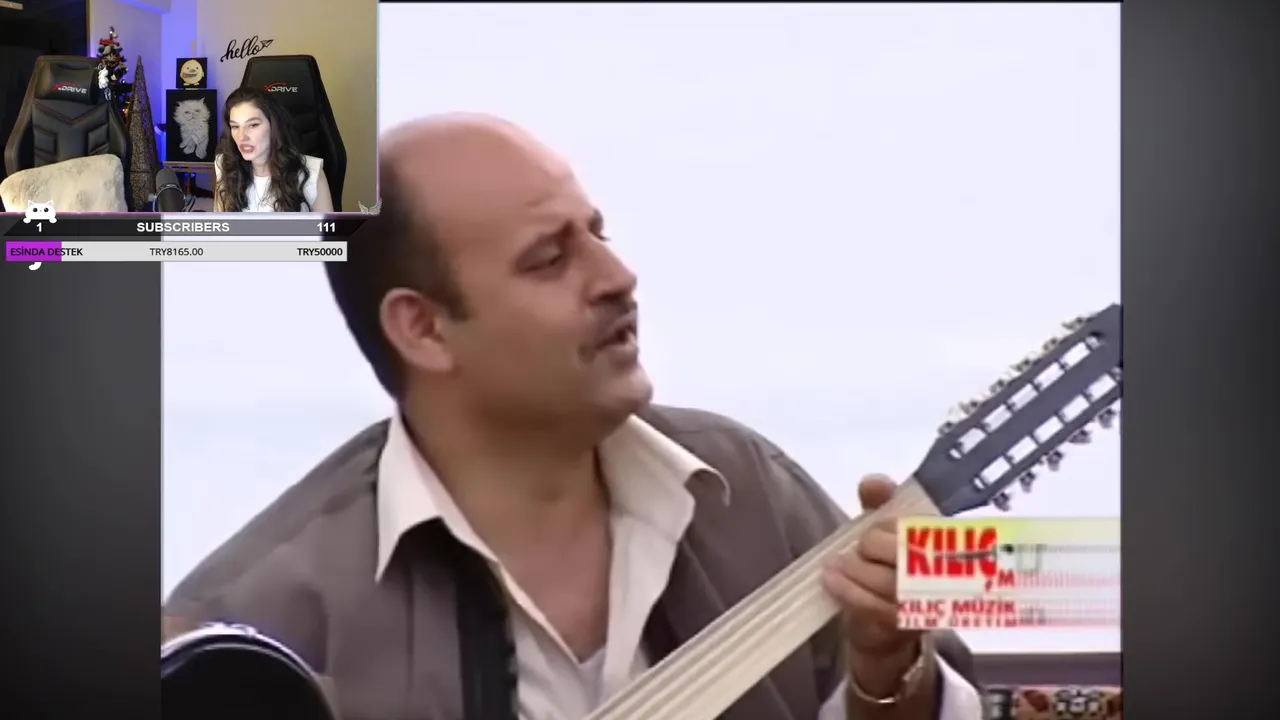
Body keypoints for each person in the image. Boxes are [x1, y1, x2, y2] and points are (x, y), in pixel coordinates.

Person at [165, 115, 983, 720]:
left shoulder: (750, 492)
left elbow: (935, 682)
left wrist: (888, 675)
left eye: (598, 234)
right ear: (423, 328)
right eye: (550, 259)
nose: (617, 276)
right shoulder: (259, 631)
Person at [212, 87, 334, 213]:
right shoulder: (225, 165)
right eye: (235, 126)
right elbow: (219, 223)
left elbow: (328, 225)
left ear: (274, 125)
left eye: (253, 125)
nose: (241, 136)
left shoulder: (311, 172)